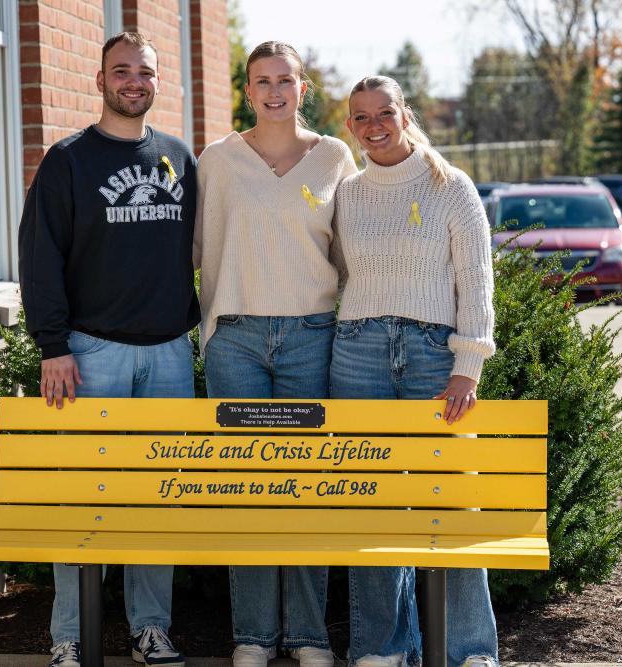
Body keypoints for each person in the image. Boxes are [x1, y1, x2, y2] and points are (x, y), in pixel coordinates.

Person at [18, 31, 198, 667]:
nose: (133, 82)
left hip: (172, 353)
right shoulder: (68, 161)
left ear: (157, 81)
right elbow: (40, 259)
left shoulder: (179, 157)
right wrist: (52, 345)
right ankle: (70, 634)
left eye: (144, 72)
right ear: (99, 81)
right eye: (120, 72)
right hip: (91, 354)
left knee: (160, 497)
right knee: (82, 497)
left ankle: (151, 628)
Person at [193, 41, 358, 667]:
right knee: (247, 486)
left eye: (285, 80)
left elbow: (351, 248)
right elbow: (194, 247)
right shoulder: (218, 160)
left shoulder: (335, 158)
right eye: (262, 81)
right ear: (247, 88)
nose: (273, 92)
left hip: (311, 335)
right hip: (234, 335)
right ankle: (255, 636)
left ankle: (310, 636)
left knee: (306, 487)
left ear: (303, 88)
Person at [330, 75, 497, 667]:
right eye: (361, 117)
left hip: (432, 354)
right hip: (357, 352)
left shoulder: (451, 186)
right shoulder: (347, 193)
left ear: (405, 115)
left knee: (453, 499)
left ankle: (470, 650)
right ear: (349, 125)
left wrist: (467, 365)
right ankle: (381, 648)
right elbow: (341, 277)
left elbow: (476, 280)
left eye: (385, 113)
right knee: (371, 498)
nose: (374, 126)